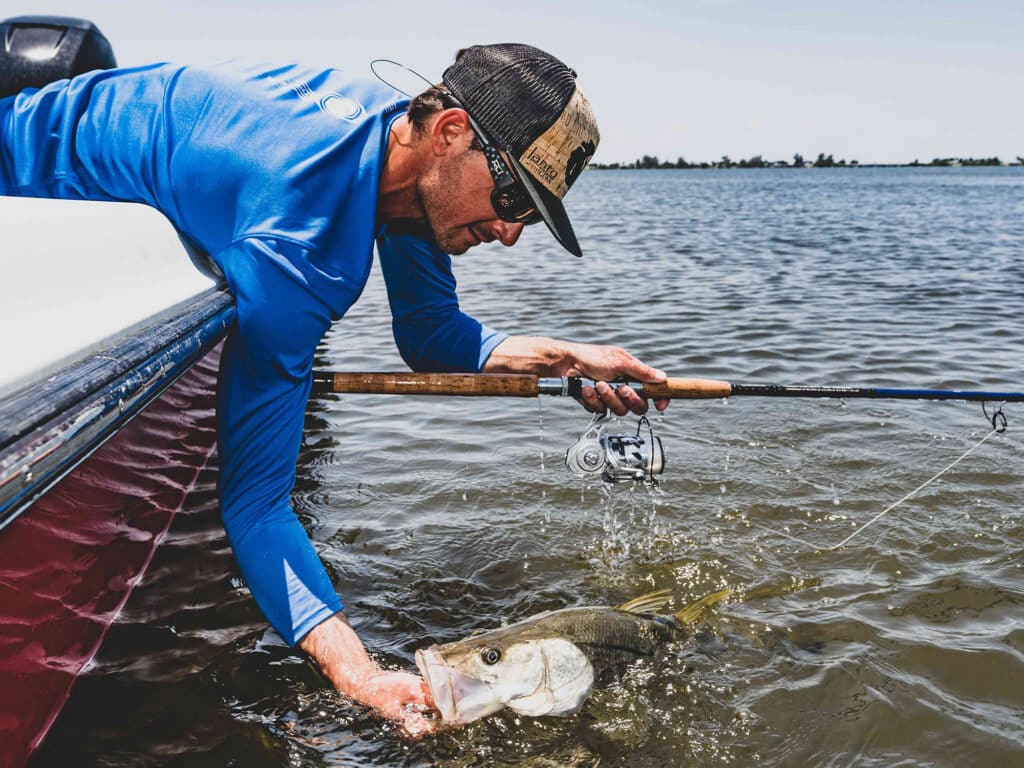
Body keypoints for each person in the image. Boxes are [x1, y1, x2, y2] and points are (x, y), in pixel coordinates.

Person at [0, 43, 668, 734]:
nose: (507, 233)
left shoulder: (400, 158)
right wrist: (361, 674)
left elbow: (431, 335)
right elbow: (256, 507)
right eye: (510, 199)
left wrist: (566, 357)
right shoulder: (300, 246)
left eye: (530, 216)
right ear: (450, 132)